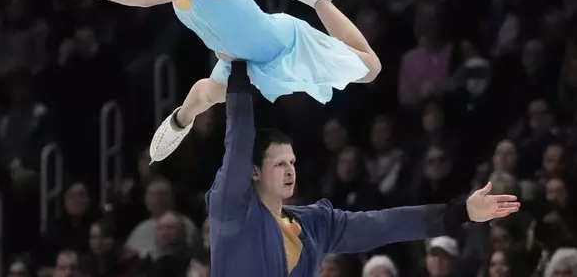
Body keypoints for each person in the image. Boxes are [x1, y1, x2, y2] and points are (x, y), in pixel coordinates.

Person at [57, 0, 381, 163]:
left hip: (283, 44)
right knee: (203, 94)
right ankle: (180, 121)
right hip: (239, 63)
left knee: (371, 69)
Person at [207, 60, 520, 277]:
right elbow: (238, 140)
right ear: (254, 172)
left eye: (292, 162)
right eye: (279, 164)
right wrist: (238, 71)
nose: (290, 170)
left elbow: (386, 225)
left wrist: (461, 212)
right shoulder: (231, 209)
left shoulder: (316, 225)